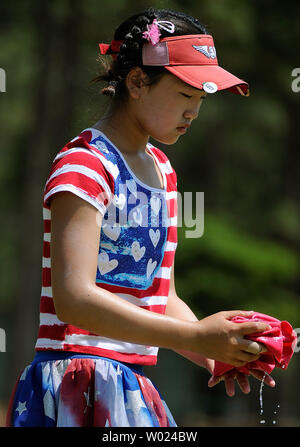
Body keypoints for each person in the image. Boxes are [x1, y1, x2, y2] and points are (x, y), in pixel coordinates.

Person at [6, 8, 275, 427]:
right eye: (185, 95)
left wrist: (215, 353)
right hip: (76, 381)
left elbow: (156, 296)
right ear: (136, 82)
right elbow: (74, 299)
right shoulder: (86, 165)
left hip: (130, 385)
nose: (195, 113)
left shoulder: (163, 172)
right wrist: (196, 335)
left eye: (201, 100)